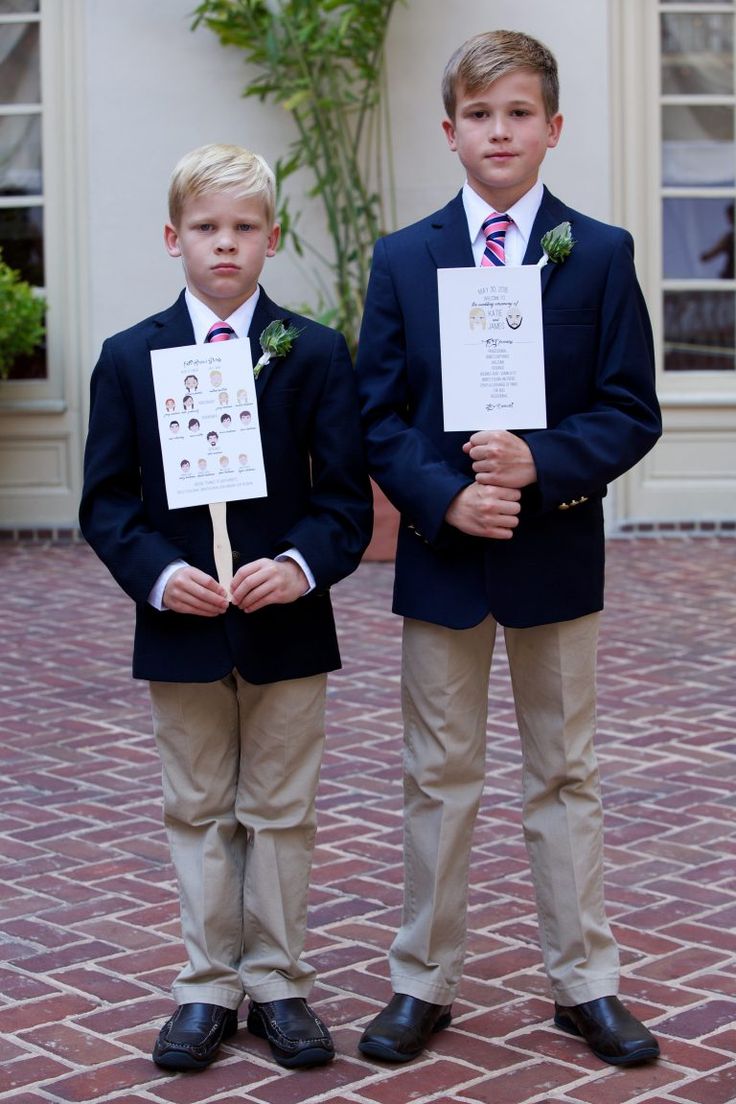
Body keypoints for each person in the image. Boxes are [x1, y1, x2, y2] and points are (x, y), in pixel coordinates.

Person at [355, 30, 662, 1068]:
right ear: (449, 132)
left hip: (554, 553)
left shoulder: (602, 253)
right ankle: (421, 979)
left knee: (562, 772)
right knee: (438, 772)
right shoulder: (402, 258)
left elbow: (630, 409)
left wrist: (541, 465)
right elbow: (378, 414)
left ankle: (585, 980)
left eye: (518, 112)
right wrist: (445, 500)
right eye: (479, 114)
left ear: (553, 128)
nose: (499, 130)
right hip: (448, 558)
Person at [80, 143, 372, 1073]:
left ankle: (280, 981)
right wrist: (163, 578)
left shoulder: (316, 352)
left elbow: (347, 504)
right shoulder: (130, 357)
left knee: (281, 808)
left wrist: (300, 563)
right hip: (184, 625)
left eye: (244, 228)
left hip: (285, 620)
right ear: (174, 238)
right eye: (206, 227)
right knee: (199, 807)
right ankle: (208, 985)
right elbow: (107, 502)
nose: (225, 245)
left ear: (271, 239)